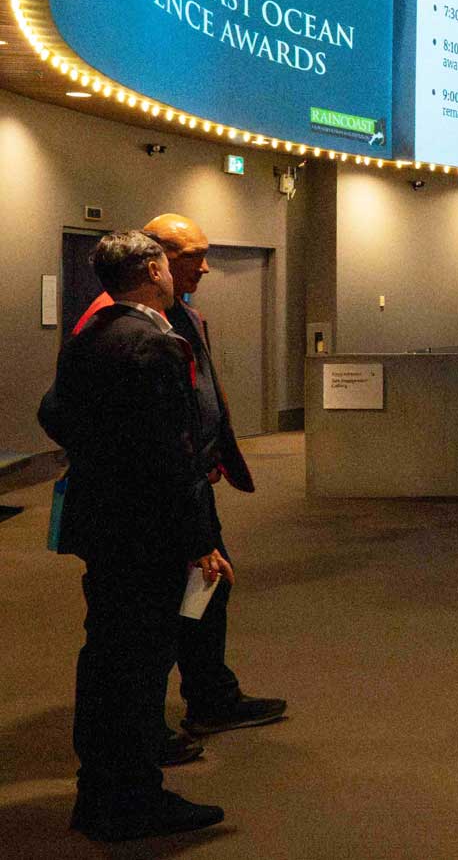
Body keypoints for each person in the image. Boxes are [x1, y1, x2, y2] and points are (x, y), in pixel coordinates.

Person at [70, 215, 289, 763]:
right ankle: (140, 745)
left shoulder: (173, 314)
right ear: (157, 260)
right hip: (154, 505)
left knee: (201, 596)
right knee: (143, 630)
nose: (204, 266)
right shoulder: (125, 328)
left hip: (176, 488)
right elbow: (84, 416)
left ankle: (206, 695)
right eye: (191, 255)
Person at [39, 231, 226, 842]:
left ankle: (100, 792)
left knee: (106, 658)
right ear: (152, 268)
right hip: (146, 534)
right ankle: (130, 801)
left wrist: (99, 455)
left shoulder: (90, 334)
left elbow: (54, 413)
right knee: (138, 666)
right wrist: (201, 540)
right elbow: (173, 457)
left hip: (103, 525)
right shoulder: (153, 344)